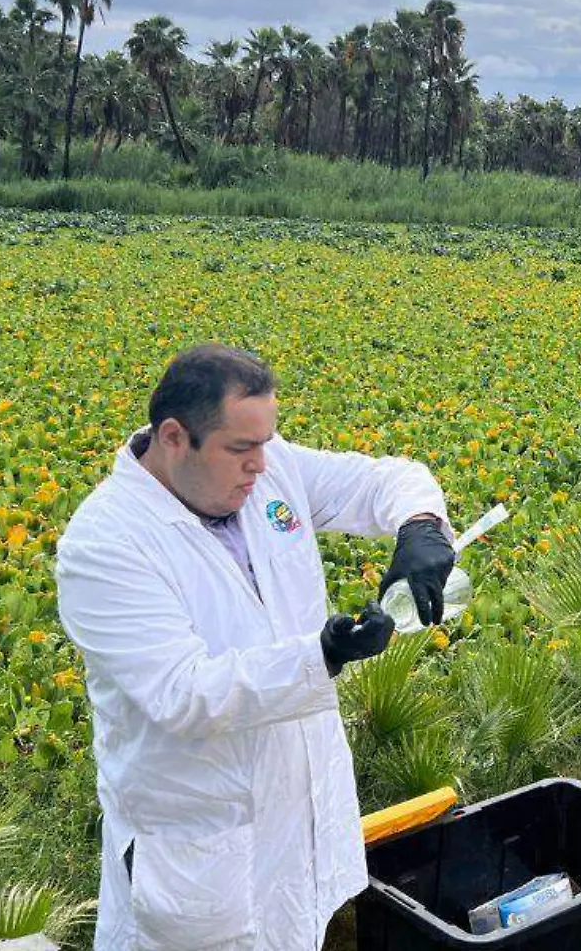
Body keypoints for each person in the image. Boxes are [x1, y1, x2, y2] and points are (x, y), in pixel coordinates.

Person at [55, 344, 458, 951]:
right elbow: (184, 695)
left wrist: (422, 525)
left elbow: (386, 481)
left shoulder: (271, 471)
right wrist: (322, 656)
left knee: (297, 929)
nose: (259, 465)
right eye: (241, 449)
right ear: (173, 437)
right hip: (200, 850)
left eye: (266, 442)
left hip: (296, 821)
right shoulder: (106, 545)